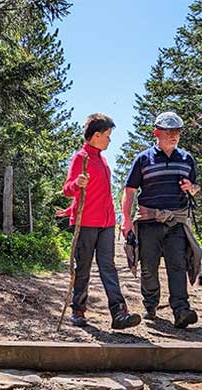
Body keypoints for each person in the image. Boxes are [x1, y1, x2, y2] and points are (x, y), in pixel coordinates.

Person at [56, 113, 141, 329]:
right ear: (95, 135)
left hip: (106, 224)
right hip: (85, 224)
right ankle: (78, 311)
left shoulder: (102, 159)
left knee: (108, 268)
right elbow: (67, 190)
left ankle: (119, 313)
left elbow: (99, 194)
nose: (110, 139)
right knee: (83, 267)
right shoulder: (80, 158)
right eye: (107, 135)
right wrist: (77, 183)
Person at [120, 111, 202, 329]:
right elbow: (129, 191)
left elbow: (195, 187)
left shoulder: (187, 159)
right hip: (149, 222)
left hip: (176, 223)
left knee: (178, 266)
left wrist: (191, 188)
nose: (174, 135)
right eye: (169, 132)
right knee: (149, 267)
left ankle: (181, 310)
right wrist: (126, 221)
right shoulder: (143, 159)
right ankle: (150, 306)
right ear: (157, 133)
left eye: (177, 131)